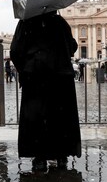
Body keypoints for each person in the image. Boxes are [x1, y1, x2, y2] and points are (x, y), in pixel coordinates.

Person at [10, 10, 81, 172]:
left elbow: (15, 51)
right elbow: (72, 47)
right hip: (61, 76)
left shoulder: (26, 23)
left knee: (38, 117)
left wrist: (24, 69)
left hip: (36, 76)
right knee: (60, 117)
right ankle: (61, 155)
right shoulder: (60, 23)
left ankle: (40, 157)